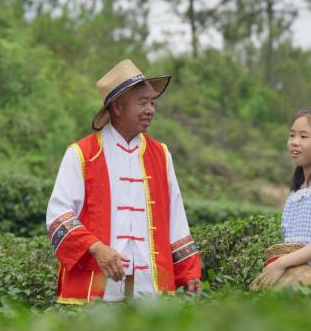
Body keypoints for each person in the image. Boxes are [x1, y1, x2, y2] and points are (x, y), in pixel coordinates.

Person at [46, 59, 201, 304]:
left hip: (150, 290)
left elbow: (176, 216)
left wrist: (189, 271)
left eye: (152, 102)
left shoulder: (161, 155)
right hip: (94, 290)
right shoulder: (81, 154)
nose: (150, 109)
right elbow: (58, 217)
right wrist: (97, 248)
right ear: (117, 107)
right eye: (142, 103)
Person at [252, 108, 311, 288]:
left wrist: (281, 263)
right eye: (292, 135)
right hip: (293, 273)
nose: (294, 142)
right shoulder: (296, 193)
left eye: (304, 137)